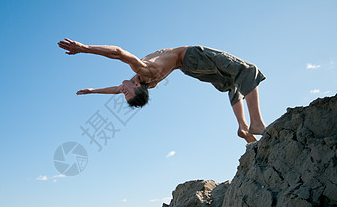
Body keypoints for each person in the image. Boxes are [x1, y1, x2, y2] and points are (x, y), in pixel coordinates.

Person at [58, 38, 267, 143]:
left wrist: (94, 91)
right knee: (247, 70)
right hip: (192, 57)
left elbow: (116, 89)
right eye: (127, 92)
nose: (122, 90)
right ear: (138, 86)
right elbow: (119, 53)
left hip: (189, 68)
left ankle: (243, 127)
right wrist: (85, 48)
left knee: (232, 83)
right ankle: (256, 122)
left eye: (124, 93)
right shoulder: (145, 71)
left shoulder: (147, 82)